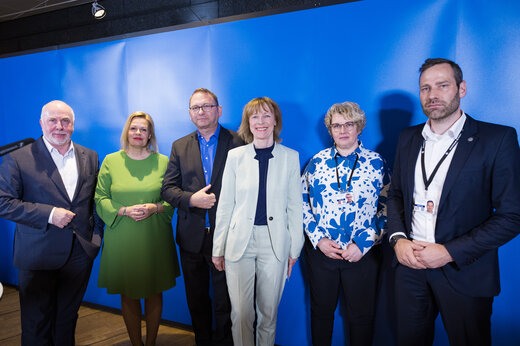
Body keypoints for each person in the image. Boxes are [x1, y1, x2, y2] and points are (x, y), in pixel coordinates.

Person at [387, 58, 520, 346]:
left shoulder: (497, 139)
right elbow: (396, 194)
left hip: (464, 271)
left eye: (442, 85)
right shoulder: (408, 138)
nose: (432, 95)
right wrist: (398, 240)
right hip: (410, 268)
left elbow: (512, 215)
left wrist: (449, 252)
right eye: (425, 88)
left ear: (462, 88)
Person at [0, 100, 104, 345]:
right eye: (53, 120)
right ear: (41, 123)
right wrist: (49, 214)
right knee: (37, 324)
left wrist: (95, 237)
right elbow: (3, 202)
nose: (60, 126)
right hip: (38, 254)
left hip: (80, 252)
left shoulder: (89, 156)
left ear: (73, 124)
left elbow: (94, 200)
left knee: (67, 320)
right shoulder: (18, 158)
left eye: (65, 121)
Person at [212, 97, 304, 346]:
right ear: (248, 123)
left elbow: (295, 206)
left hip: (275, 244)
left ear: (275, 121)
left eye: (266, 116)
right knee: (241, 313)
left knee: (268, 313)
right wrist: (217, 248)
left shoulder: (290, 158)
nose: (261, 122)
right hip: (238, 241)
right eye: (255, 117)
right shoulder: (235, 156)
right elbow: (225, 205)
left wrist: (294, 248)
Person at [302, 101, 389, 346]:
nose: (343, 130)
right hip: (323, 254)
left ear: (359, 127)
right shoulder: (316, 163)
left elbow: (388, 206)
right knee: (321, 314)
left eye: (349, 124)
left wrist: (363, 244)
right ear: (330, 130)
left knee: (362, 318)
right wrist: (319, 240)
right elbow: (300, 203)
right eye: (336, 125)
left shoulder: (377, 163)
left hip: (362, 255)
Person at [161, 88, 243, 346]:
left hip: (227, 236)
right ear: (190, 113)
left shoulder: (238, 141)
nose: (201, 111)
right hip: (191, 238)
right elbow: (167, 189)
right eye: (195, 107)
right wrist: (191, 200)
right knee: (196, 300)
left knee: (225, 300)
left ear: (218, 110)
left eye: (206, 106)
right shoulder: (179, 146)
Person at [95, 111, 180, 346]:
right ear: (127, 132)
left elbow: (173, 199)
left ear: (150, 133)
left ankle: (151, 343)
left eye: (143, 129)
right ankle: (136, 343)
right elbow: (100, 197)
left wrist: (154, 208)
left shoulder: (164, 162)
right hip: (122, 235)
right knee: (128, 292)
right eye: (134, 128)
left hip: (155, 237)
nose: (138, 133)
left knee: (155, 291)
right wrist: (123, 211)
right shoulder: (111, 161)